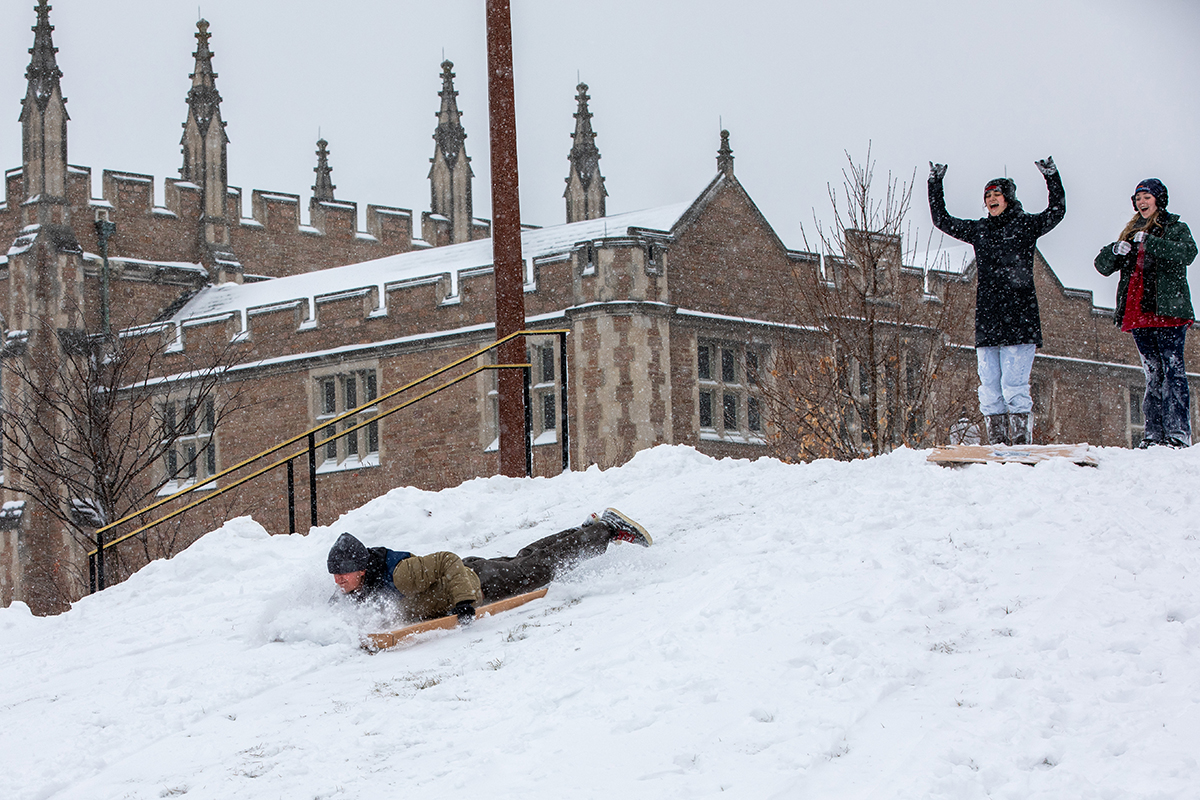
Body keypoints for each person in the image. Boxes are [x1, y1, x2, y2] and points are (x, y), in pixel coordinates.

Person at [928, 157, 1066, 446]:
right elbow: (942, 220)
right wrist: (935, 183)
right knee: (989, 386)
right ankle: (998, 442)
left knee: (1014, 384)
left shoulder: (1025, 225)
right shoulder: (981, 230)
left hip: (1020, 316)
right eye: (987, 195)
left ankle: (1020, 441)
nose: (991, 199)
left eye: (996, 194)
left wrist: (1051, 177)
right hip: (989, 317)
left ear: (1008, 198)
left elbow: (1056, 211)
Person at [326, 507, 652, 623]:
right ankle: (583, 531)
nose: (338, 580)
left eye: (342, 573)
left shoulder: (400, 574)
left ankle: (606, 530)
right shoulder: (361, 586)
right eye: (335, 575)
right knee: (529, 557)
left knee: (540, 568)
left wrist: (464, 602)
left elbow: (446, 560)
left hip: (480, 582)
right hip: (474, 574)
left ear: (361, 568)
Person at [1094, 178, 1197, 449]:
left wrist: (1152, 243)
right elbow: (1102, 266)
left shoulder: (1175, 227)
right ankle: (1153, 434)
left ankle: (1177, 433)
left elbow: (1188, 253)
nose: (1141, 202)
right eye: (1138, 198)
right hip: (1139, 312)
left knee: (1173, 370)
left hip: (1168, 311)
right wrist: (1114, 250)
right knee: (1152, 374)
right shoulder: (1130, 232)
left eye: (1147, 197)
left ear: (1158, 201)